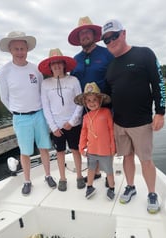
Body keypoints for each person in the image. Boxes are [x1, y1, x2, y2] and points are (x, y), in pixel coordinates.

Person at [101, 19, 166, 214]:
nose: (111, 41)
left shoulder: (144, 53)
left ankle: (152, 193)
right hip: (119, 123)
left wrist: (160, 112)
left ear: (123, 33)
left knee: (146, 159)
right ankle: (130, 186)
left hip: (141, 122)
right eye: (106, 40)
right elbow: (108, 97)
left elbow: (159, 83)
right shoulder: (110, 67)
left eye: (114, 36)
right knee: (127, 157)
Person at [0, 31, 56, 196]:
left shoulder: (35, 69)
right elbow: (4, 98)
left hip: (39, 114)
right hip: (21, 117)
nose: (20, 52)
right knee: (24, 152)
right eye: (16, 48)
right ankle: (27, 180)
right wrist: (18, 111)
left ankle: (48, 175)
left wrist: (39, 111)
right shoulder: (5, 71)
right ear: (10, 50)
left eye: (22, 48)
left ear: (27, 49)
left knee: (44, 147)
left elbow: (41, 92)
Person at [68, 16, 114, 183]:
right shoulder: (75, 60)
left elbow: (116, 77)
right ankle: (94, 173)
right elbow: (71, 84)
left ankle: (109, 173)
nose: (84, 36)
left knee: (105, 137)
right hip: (84, 108)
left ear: (94, 35)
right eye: (81, 33)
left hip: (105, 105)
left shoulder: (107, 53)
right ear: (78, 38)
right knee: (90, 138)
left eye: (87, 32)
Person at [38, 48, 85, 192]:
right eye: (53, 63)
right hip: (56, 126)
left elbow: (80, 102)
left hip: (73, 124)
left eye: (59, 63)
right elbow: (45, 107)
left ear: (64, 65)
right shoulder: (45, 84)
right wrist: (53, 126)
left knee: (75, 150)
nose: (56, 66)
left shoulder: (74, 80)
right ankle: (62, 178)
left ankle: (79, 176)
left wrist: (72, 122)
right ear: (50, 67)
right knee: (60, 152)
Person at [75, 82, 116, 200]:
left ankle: (111, 188)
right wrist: (81, 146)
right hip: (91, 150)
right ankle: (89, 186)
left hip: (105, 150)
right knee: (91, 169)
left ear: (100, 100)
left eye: (94, 100)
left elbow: (111, 130)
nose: (92, 103)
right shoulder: (85, 117)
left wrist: (113, 147)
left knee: (109, 170)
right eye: (88, 101)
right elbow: (83, 133)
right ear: (85, 103)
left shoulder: (106, 112)